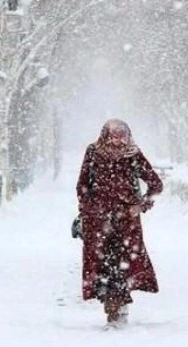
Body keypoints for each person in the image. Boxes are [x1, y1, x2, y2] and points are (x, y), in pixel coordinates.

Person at [76, 119, 163, 328]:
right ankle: (112, 307)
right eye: (113, 136)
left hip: (126, 224)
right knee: (103, 265)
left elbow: (155, 184)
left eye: (121, 136)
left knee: (122, 266)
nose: (117, 142)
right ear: (105, 135)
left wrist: (141, 206)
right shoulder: (93, 152)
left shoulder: (133, 154)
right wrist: (88, 210)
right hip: (98, 223)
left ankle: (118, 309)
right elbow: (82, 185)